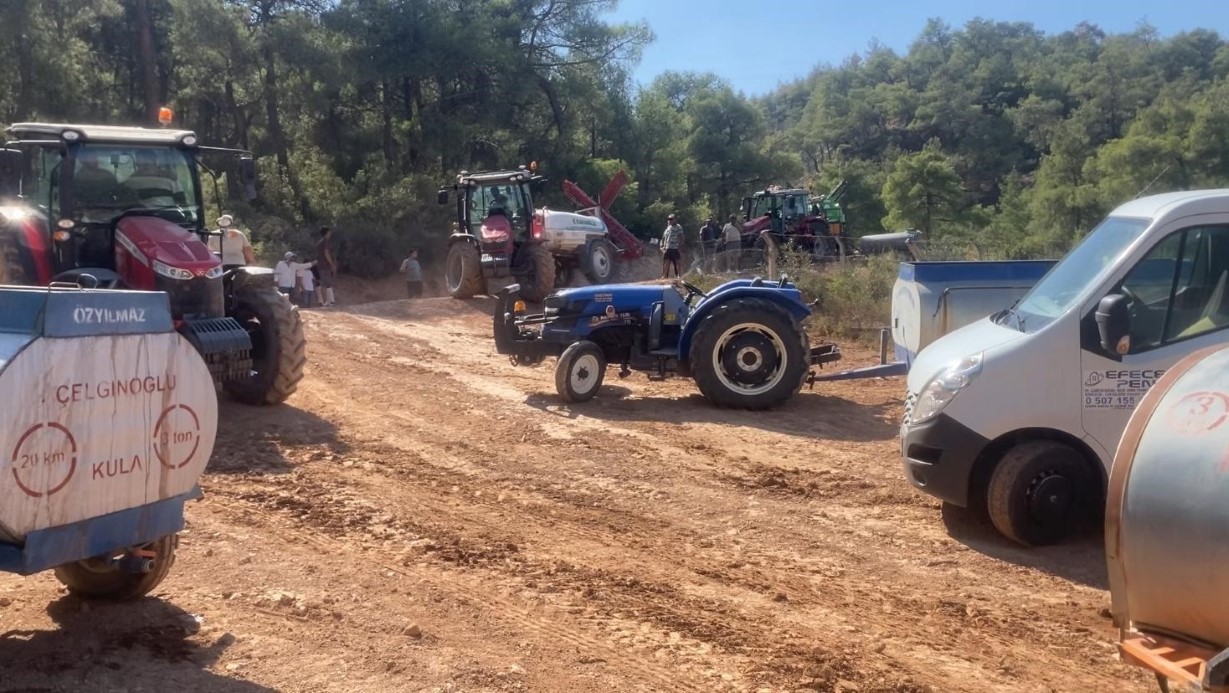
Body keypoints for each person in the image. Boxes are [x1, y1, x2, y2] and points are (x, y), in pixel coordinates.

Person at [316, 226, 336, 306]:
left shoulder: (319, 242)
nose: (330, 233)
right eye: (329, 232)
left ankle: (329, 301)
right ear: (326, 233)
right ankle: (330, 301)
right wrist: (331, 263)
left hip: (321, 265)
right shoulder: (325, 241)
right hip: (325, 265)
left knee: (326, 282)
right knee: (328, 283)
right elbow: (326, 252)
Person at [661, 213, 683, 278]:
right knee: (666, 261)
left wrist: (680, 245)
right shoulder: (668, 228)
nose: (669, 220)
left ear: (675, 220)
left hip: (675, 247)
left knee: (677, 262)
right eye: (669, 219)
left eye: (671, 219)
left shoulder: (678, 227)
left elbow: (682, 236)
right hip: (668, 247)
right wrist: (663, 246)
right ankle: (664, 276)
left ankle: (679, 275)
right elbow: (664, 237)